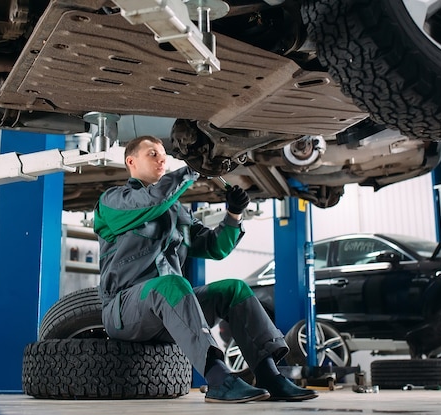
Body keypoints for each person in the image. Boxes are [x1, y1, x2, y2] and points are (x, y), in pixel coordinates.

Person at [93, 135, 318, 403]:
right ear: (131, 161)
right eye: (152, 154)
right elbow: (151, 201)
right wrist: (193, 169)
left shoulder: (176, 212)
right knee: (172, 284)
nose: (162, 158)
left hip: (170, 311)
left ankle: (270, 377)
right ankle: (218, 379)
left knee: (234, 289)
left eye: (163, 154)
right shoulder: (113, 202)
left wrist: (233, 214)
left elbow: (215, 247)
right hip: (125, 311)